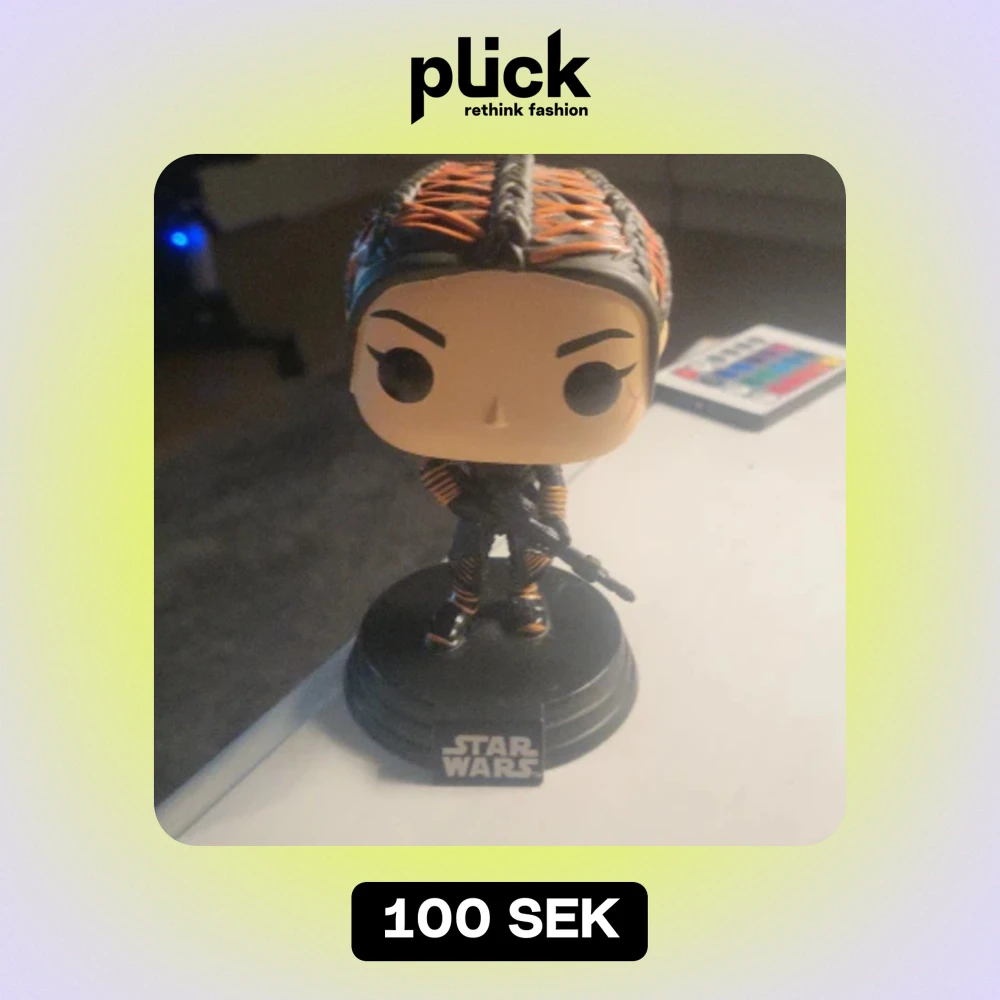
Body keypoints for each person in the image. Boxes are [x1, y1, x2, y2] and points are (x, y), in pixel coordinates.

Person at [345, 156, 671, 648]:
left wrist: (552, 518)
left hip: (523, 504)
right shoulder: (458, 457)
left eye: (591, 379)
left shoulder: (540, 457)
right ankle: (463, 603)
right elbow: (436, 468)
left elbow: (551, 477)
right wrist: (465, 501)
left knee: (531, 558)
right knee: (466, 558)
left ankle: (525, 595)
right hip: (478, 504)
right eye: (407, 367)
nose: (497, 417)